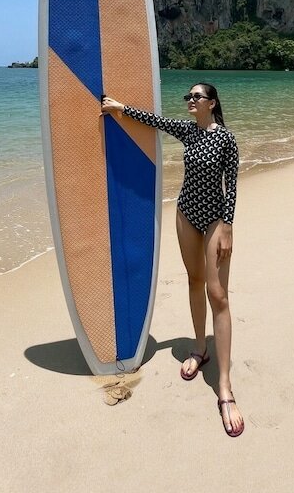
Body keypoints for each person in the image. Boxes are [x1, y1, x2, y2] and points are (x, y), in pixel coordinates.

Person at [101, 83, 244, 437]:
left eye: (196, 97)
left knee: (219, 295)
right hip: (186, 214)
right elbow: (154, 121)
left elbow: (233, 184)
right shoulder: (187, 131)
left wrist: (227, 226)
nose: (190, 102)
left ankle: (224, 388)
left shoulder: (225, 139)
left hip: (214, 220)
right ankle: (199, 348)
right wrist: (120, 107)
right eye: (188, 97)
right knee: (194, 281)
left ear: (212, 102)